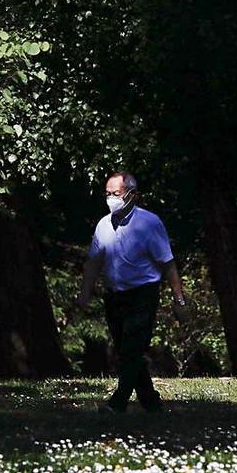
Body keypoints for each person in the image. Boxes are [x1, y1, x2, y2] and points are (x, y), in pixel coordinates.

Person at [77, 171, 187, 413]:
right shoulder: (103, 225)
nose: (111, 199)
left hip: (142, 294)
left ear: (132, 195)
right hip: (114, 295)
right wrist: (85, 292)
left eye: (116, 194)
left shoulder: (149, 223)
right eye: (107, 194)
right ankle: (150, 401)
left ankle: (118, 402)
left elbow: (167, 263)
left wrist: (179, 299)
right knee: (127, 352)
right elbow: (94, 262)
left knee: (131, 350)